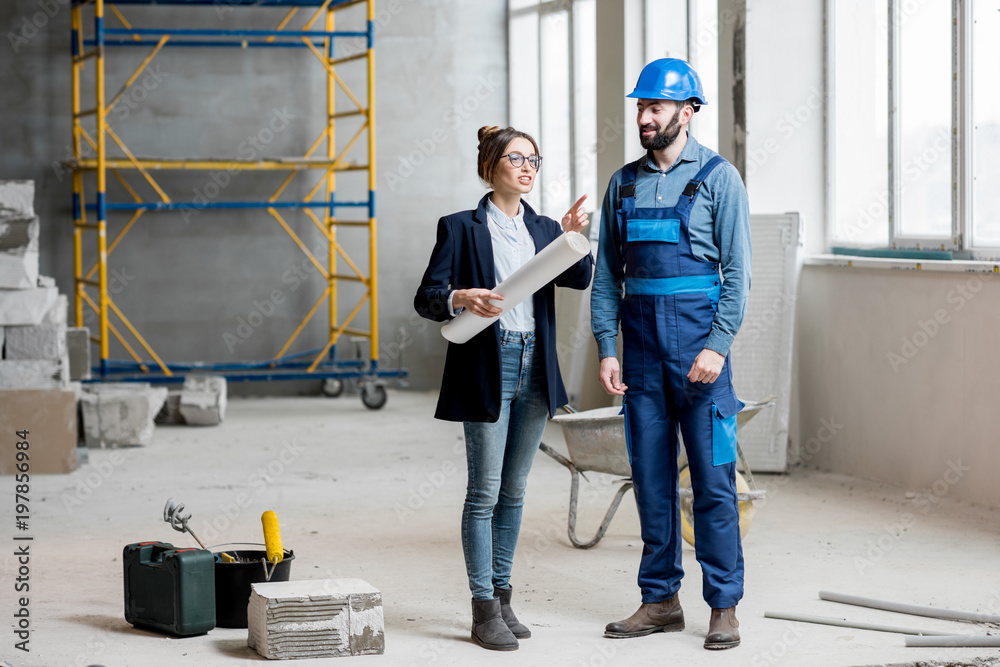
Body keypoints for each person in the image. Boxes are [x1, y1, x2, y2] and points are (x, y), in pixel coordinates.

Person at [590, 58, 752, 650]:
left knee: (713, 483)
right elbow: (608, 276)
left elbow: (737, 274)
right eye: (640, 107)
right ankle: (659, 600)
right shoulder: (623, 184)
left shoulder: (718, 178)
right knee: (651, 482)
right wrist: (607, 349)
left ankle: (724, 605)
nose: (644, 117)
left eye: (655, 107)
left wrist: (717, 346)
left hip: (700, 357)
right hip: (640, 357)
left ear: (688, 112)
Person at [414, 125, 593, 651]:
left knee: (514, 492)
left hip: (536, 365)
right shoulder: (460, 227)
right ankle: (481, 608)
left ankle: (504, 595)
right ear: (491, 164)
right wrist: (460, 297)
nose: (528, 166)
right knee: (484, 493)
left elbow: (579, 280)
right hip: (488, 365)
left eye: (534, 158)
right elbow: (426, 297)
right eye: (517, 157)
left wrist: (571, 237)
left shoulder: (542, 228)